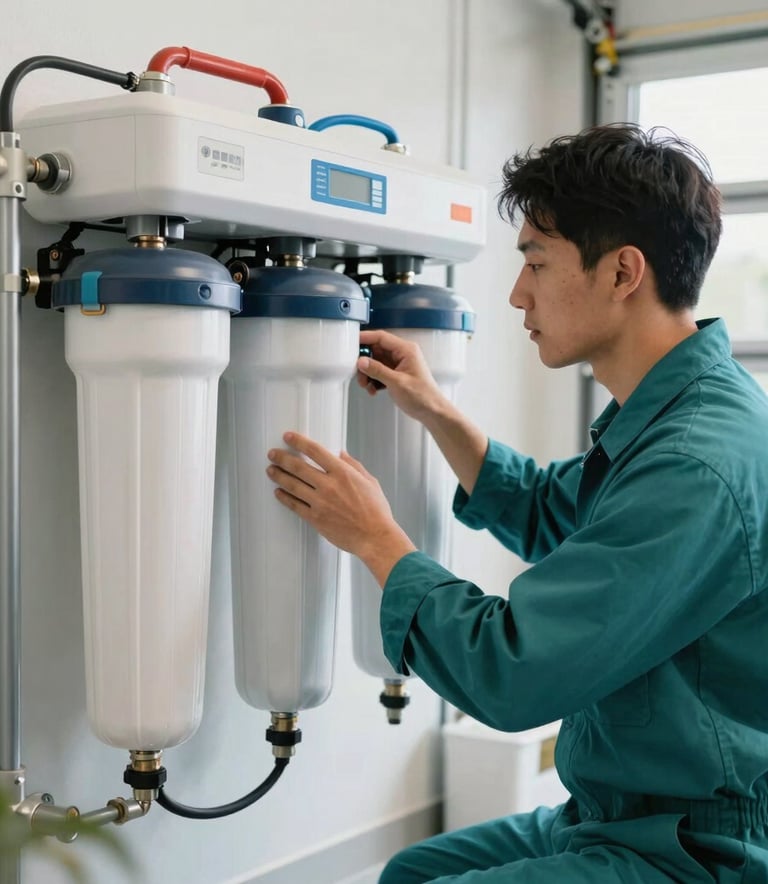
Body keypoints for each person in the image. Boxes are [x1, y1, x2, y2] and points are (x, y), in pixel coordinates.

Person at [265, 123, 768, 882]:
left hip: (702, 845)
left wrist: (375, 538)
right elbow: (551, 509)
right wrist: (436, 410)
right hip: (621, 810)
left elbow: (513, 671)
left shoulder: (694, 465)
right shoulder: (679, 413)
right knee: (409, 873)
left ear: (623, 272)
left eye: (536, 262)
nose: (516, 294)